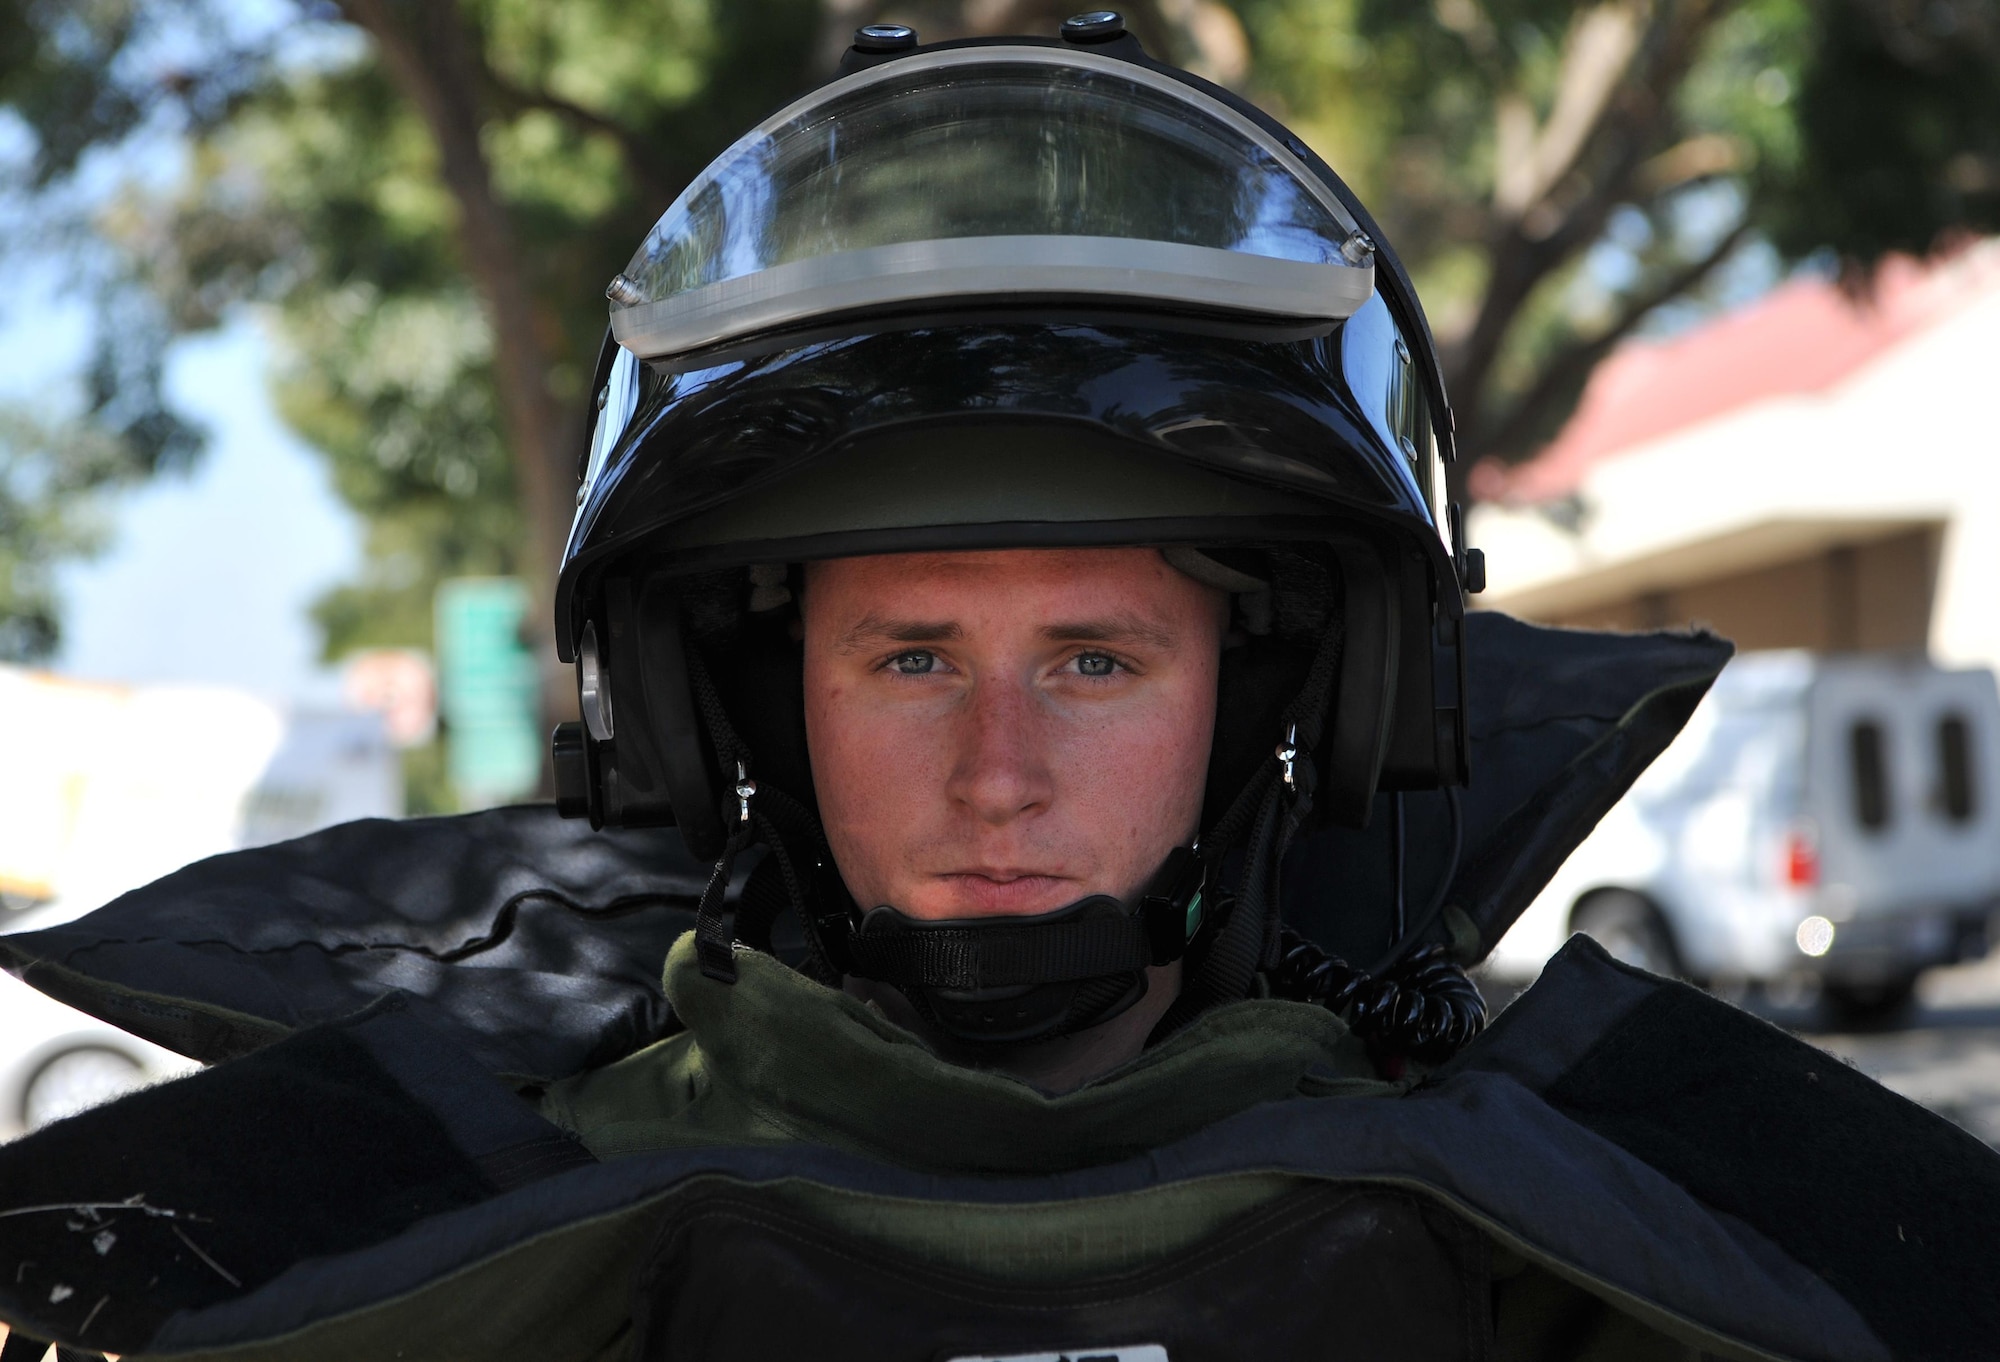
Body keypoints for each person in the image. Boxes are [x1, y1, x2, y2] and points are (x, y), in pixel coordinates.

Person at [3, 16, 1998, 1362]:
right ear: (751, 708)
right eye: (908, 659)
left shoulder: (1629, 1214)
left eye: (1096, 659)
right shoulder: (362, 1241)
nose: (999, 771)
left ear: (1276, 696)